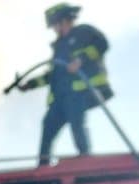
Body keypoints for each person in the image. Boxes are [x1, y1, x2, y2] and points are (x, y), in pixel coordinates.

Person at [19, 3, 113, 165]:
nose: (55, 30)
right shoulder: (59, 48)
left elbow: (102, 44)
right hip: (60, 97)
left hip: (81, 91)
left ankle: (84, 157)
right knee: (48, 126)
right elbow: (52, 75)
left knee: (76, 119)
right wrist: (30, 84)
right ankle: (43, 165)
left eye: (56, 25)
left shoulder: (84, 32)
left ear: (65, 20)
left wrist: (80, 60)